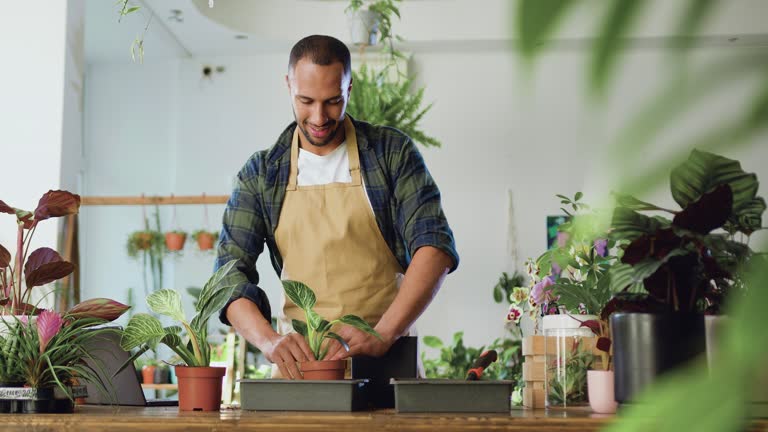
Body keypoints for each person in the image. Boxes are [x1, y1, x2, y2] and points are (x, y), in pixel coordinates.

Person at [216, 34, 459, 380]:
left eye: (332, 101)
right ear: (288, 86)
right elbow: (229, 276)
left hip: (386, 365)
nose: (319, 117)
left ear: (350, 88)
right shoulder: (261, 174)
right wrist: (269, 342)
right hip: (304, 369)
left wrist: (383, 333)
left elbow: (434, 247)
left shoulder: (391, 154)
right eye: (306, 101)